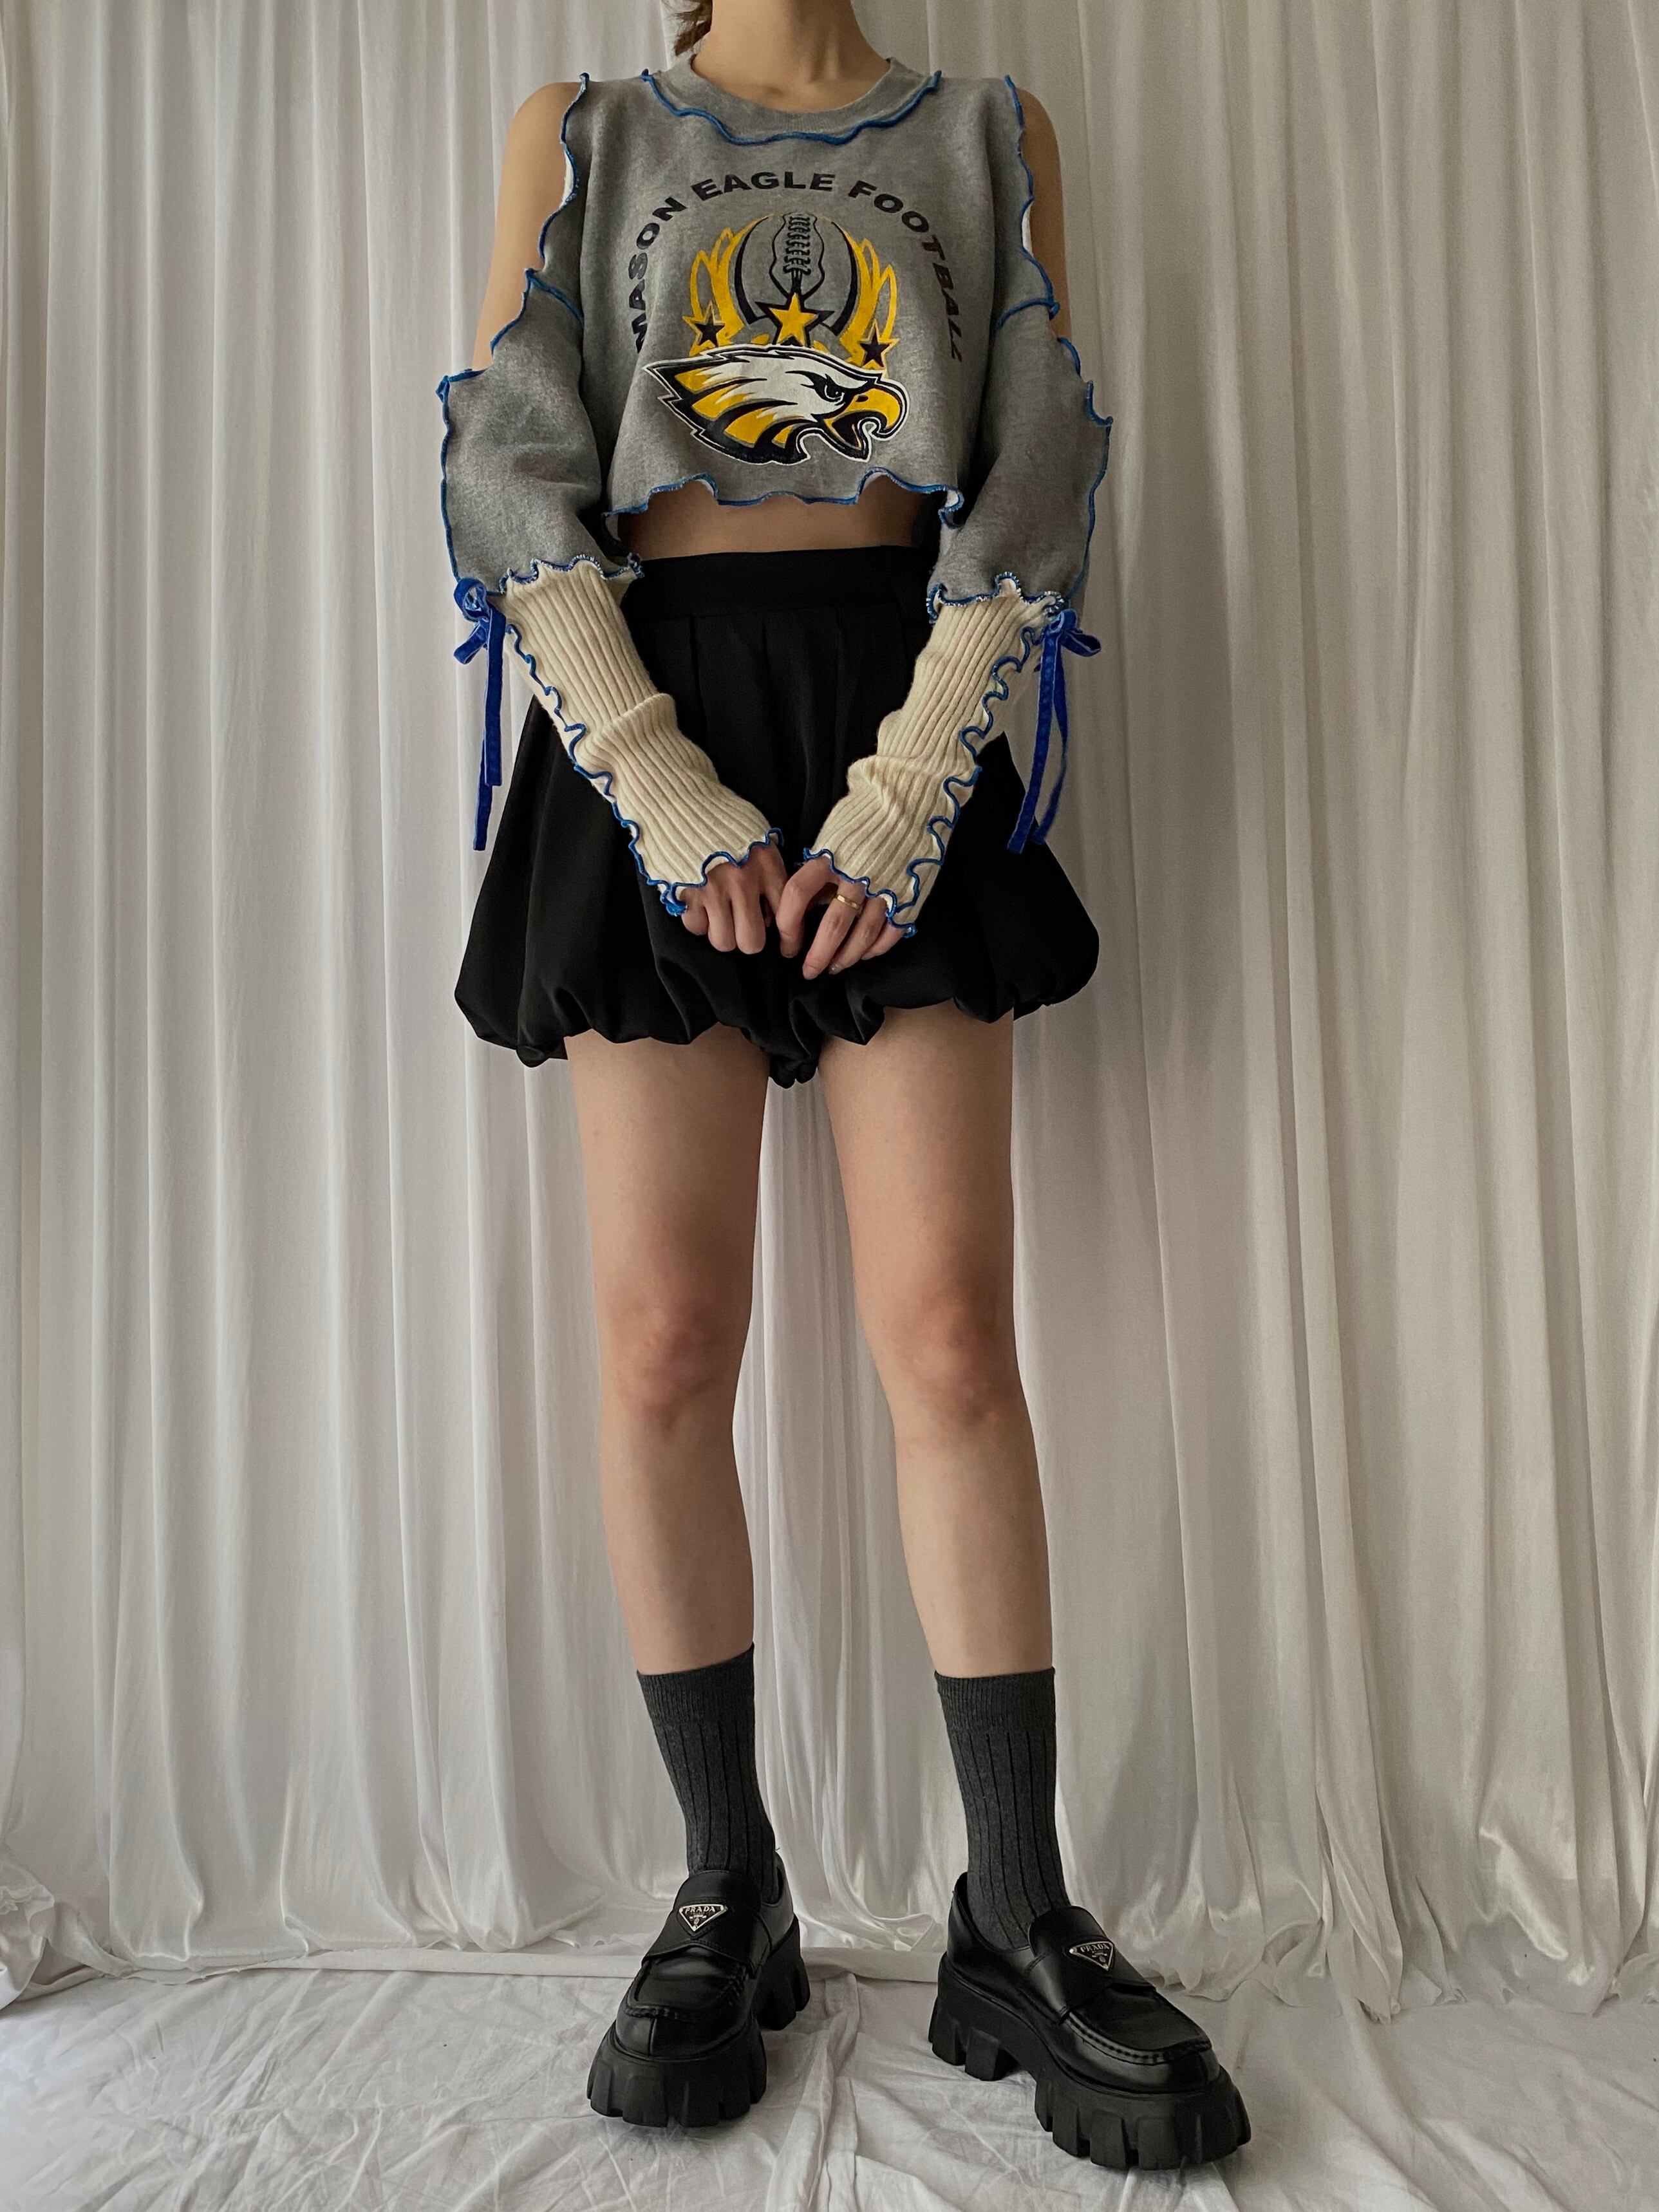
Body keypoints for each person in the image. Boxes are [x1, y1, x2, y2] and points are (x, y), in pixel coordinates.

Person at [439, 0, 1248, 2172]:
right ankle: (729, 1887)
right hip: (650, 722)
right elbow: (510, 468)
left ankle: (1018, 1913)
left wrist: (904, 795)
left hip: (910, 712)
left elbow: (1037, 466)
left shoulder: (988, 129)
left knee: (950, 1336)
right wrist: (660, 787)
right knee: (661, 1338)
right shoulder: (581, 128)